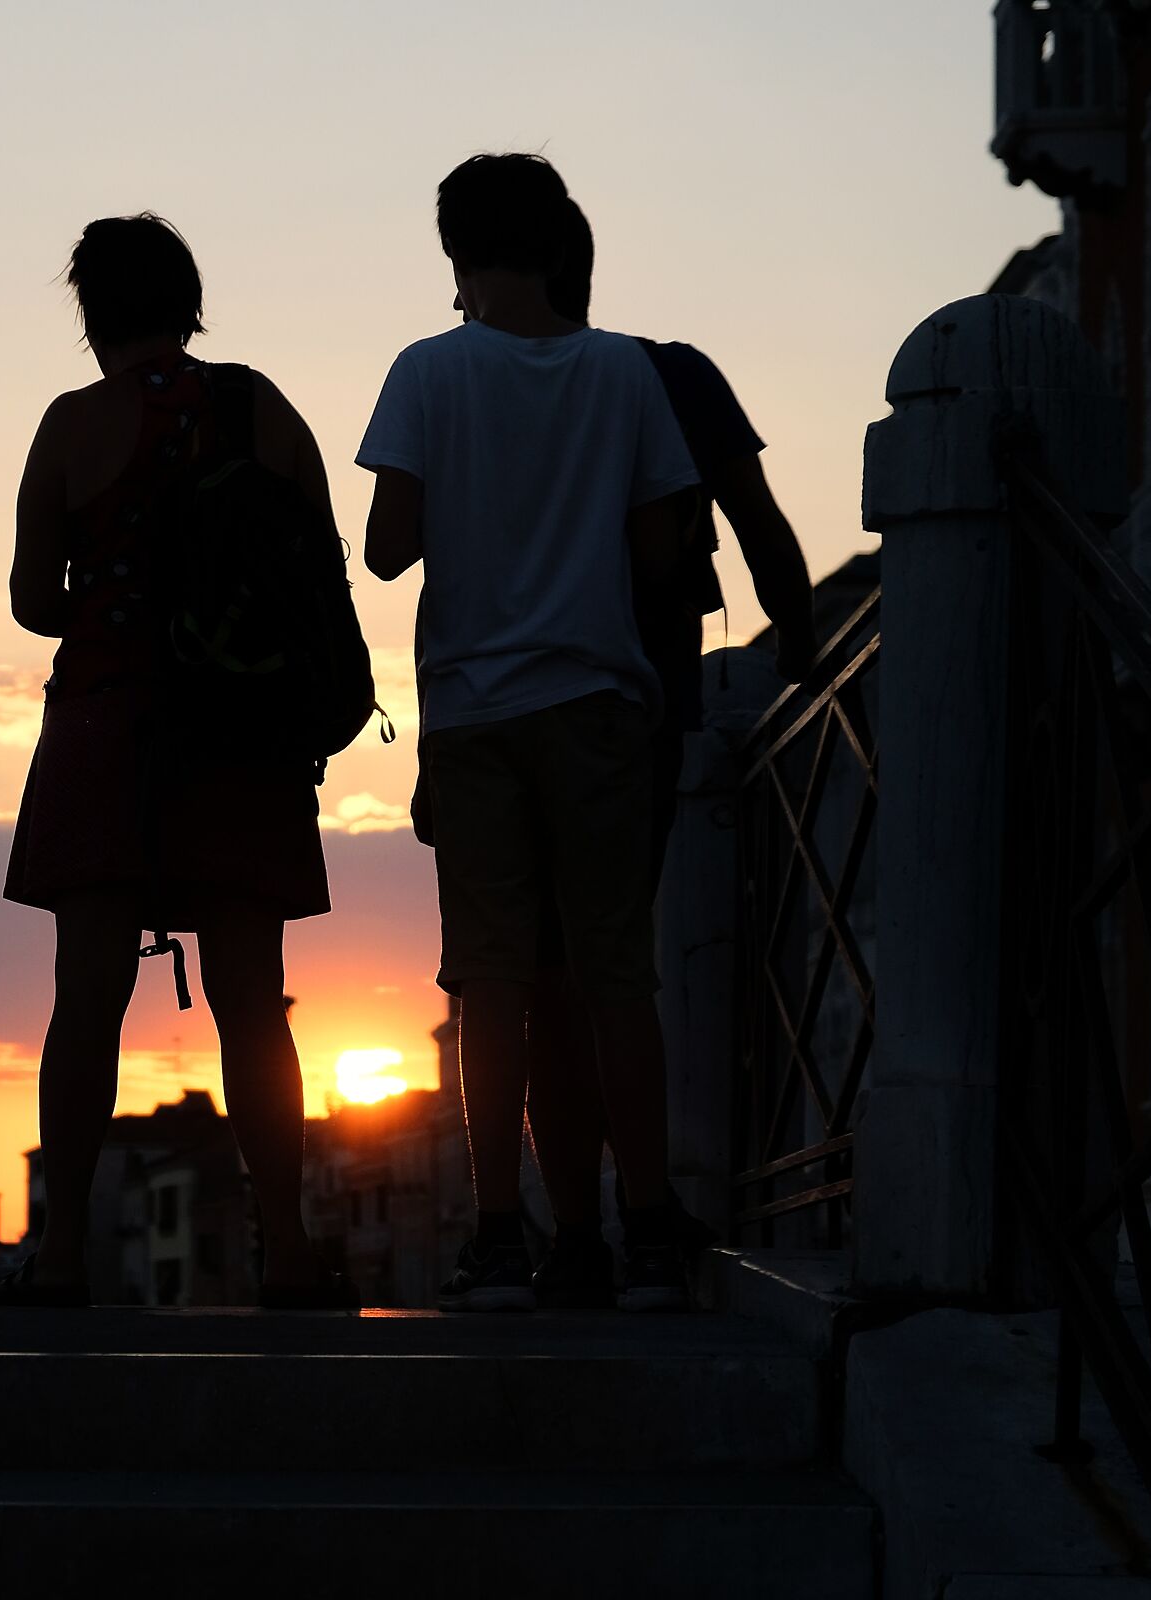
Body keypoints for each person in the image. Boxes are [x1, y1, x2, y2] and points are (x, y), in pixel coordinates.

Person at [357, 154, 701, 1313]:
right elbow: (662, 557)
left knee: (490, 980)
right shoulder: (623, 372)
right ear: (558, 246)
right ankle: (645, 1219)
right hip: (600, 702)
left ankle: (500, 1229)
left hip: (475, 711)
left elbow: (387, 546)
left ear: (452, 252)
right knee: (616, 975)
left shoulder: (425, 371)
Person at [0, 214, 343, 1309]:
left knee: (87, 998)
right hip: (241, 734)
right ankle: (285, 1246)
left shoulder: (71, 425)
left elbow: (29, 599)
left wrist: (111, 600)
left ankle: (58, 1261)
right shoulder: (261, 409)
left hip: (106, 723)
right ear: (189, 302)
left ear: (91, 312)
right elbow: (319, 575)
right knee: (254, 999)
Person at [518, 206, 820, 1308]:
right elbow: (758, 523)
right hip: (637, 705)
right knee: (607, 969)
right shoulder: (671, 374)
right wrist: (810, 661)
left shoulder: (486, 388)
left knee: (552, 978)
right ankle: (636, 1214)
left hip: (517, 714)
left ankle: (572, 1232)